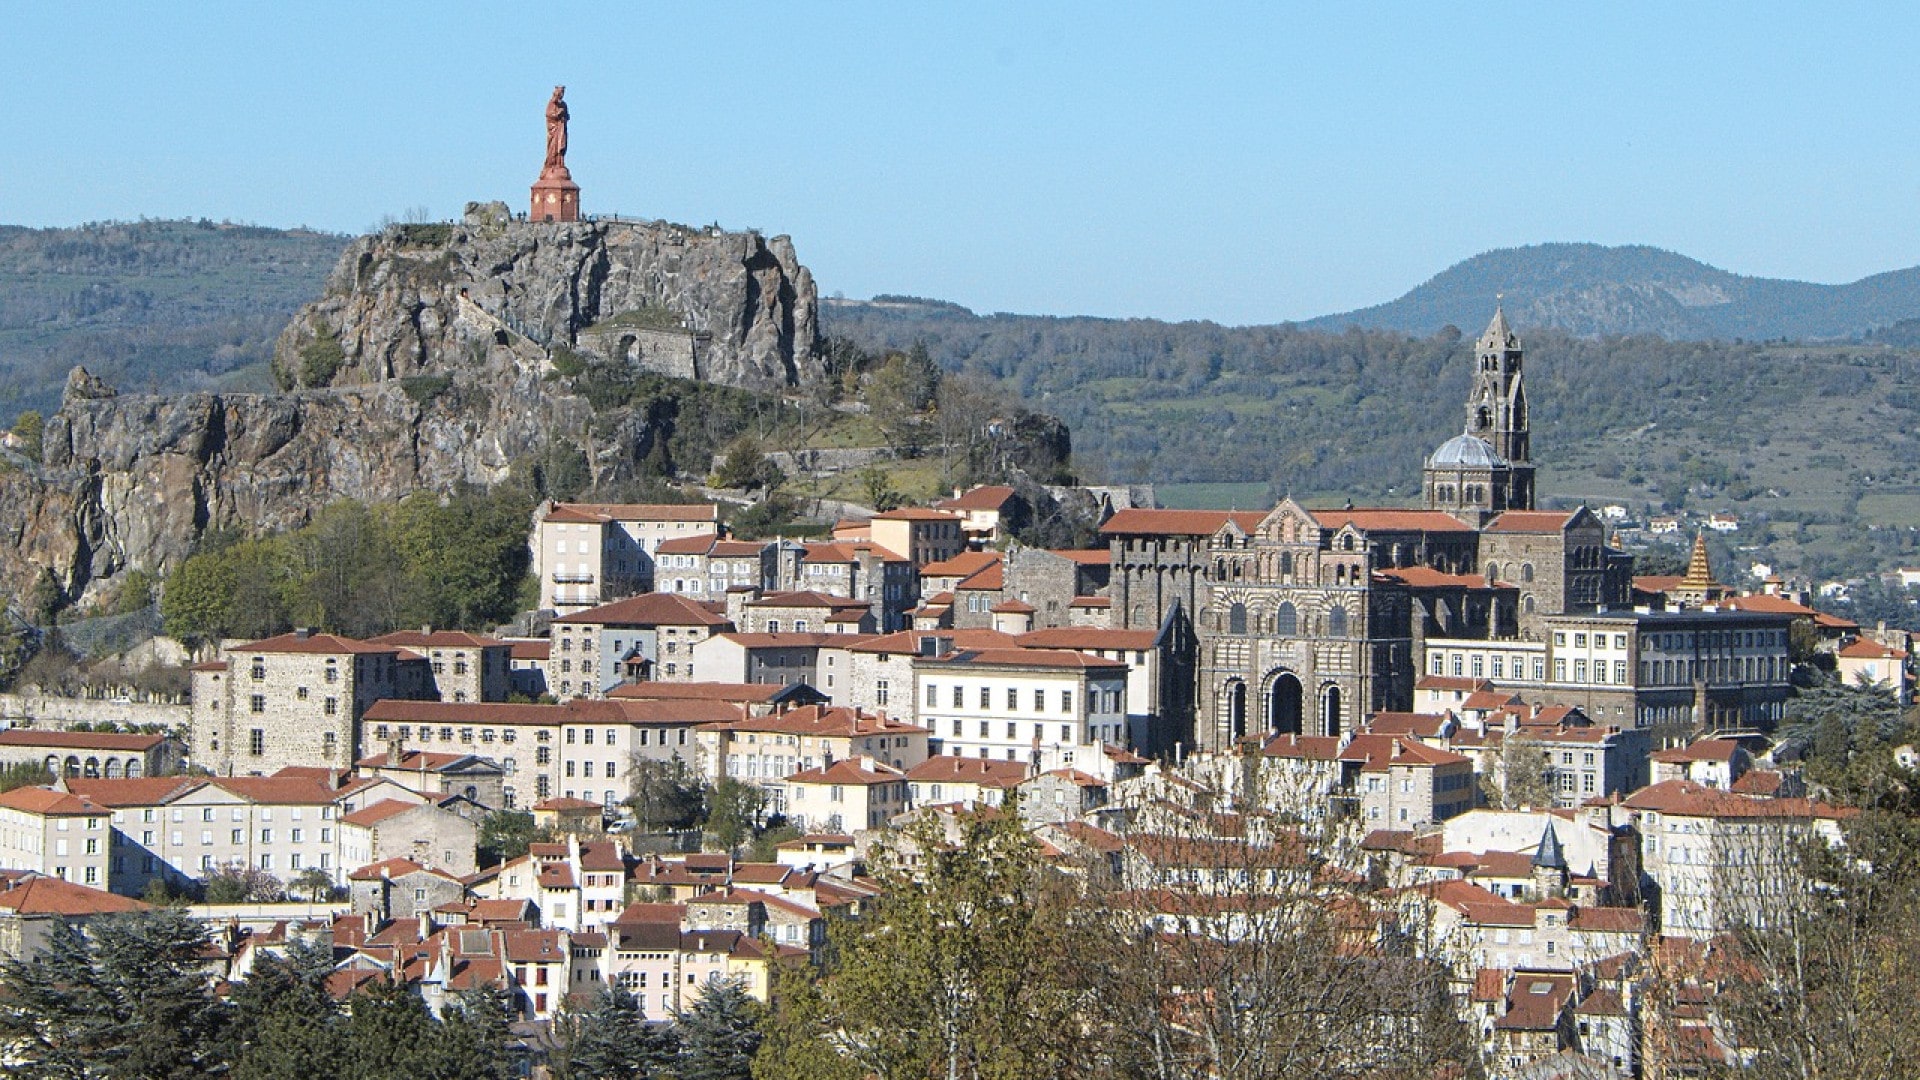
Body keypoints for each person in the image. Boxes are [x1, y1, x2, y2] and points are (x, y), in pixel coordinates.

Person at [543, 86, 569, 173]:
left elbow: (567, 116)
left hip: (561, 128)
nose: (561, 94)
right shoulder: (551, 103)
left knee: (562, 145)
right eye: (560, 92)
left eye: (563, 93)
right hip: (554, 129)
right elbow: (549, 115)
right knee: (553, 146)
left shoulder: (564, 104)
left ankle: (560, 162)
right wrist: (558, 113)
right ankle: (552, 163)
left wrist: (564, 116)